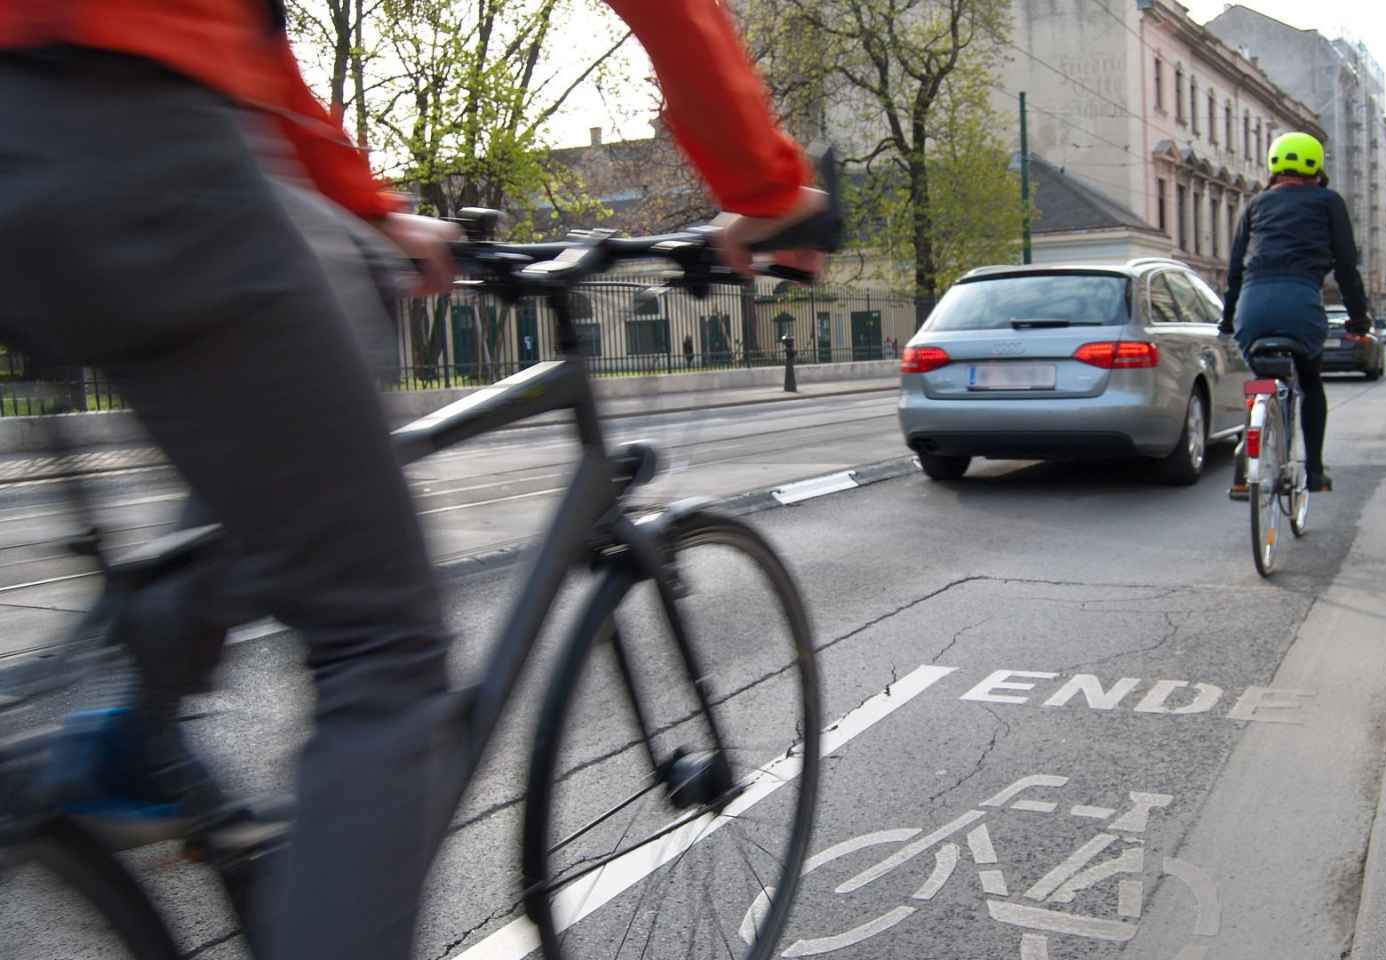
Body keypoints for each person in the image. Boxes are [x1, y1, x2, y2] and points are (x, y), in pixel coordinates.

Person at [0, 2, 827, 959]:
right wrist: (767, 187)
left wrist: (370, 213)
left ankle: (143, 720)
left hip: (53, 130)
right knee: (384, 654)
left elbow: (248, 45)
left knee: (345, 291)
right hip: (137, 138)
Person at [1222, 131, 1370, 494]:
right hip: (1300, 304)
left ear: (1273, 166)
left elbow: (1235, 270)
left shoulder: (1254, 205)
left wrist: (1227, 320)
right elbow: (1347, 268)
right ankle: (1316, 473)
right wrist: (1359, 319)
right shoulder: (1328, 201)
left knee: (1259, 382)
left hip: (1252, 308)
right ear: (1316, 168)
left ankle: (1247, 462)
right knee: (1310, 382)